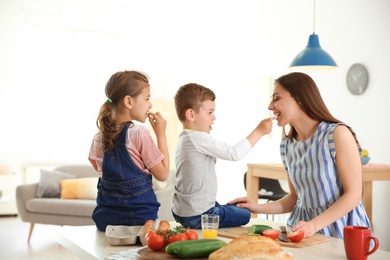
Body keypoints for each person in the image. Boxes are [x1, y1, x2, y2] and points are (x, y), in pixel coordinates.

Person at [229, 72, 371, 239]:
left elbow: (353, 195)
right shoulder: (287, 145)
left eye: (276, 98)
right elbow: (295, 198)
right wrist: (258, 207)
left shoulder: (337, 134)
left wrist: (313, 225)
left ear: (300, 99)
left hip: (342, 230)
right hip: (303, 231)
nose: (270, 106)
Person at [172, 83, 275, 229]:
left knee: (232, 207)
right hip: (197, 215)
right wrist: (259, 131)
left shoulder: (184, 138)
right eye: (209, 112)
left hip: (181, 211)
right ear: (191, 115)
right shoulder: (198, 138)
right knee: (245, 214)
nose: (214, 117)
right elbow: (233, 153)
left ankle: (219, 209)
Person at [88, 70, 169, 231]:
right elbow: (163, 174)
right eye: (147, 99)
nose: (150, 105)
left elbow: (100, 171)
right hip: (141, 222)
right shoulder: (138, 133)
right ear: (128, 102)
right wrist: (161, 134)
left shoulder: (99, 137)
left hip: (107, 221)